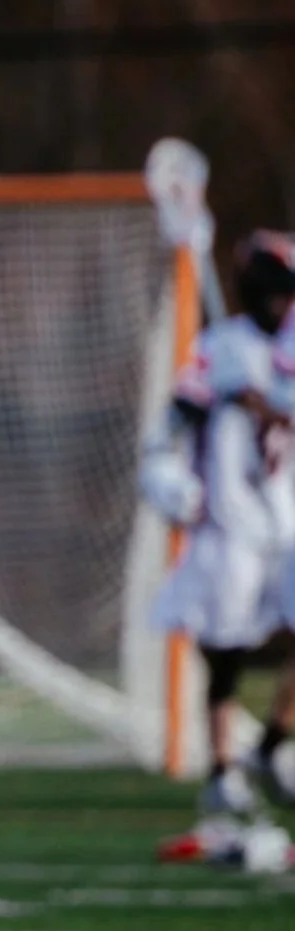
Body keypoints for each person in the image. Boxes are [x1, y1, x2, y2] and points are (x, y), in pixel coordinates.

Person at [152, 231, 295, 813]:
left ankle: (272, 743)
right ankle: (221, 767)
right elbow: (174, 423)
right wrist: (172, 482)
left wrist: (268, 400)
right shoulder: (219, 347)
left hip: (286, 516)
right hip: (231, 520)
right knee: (226, 645)